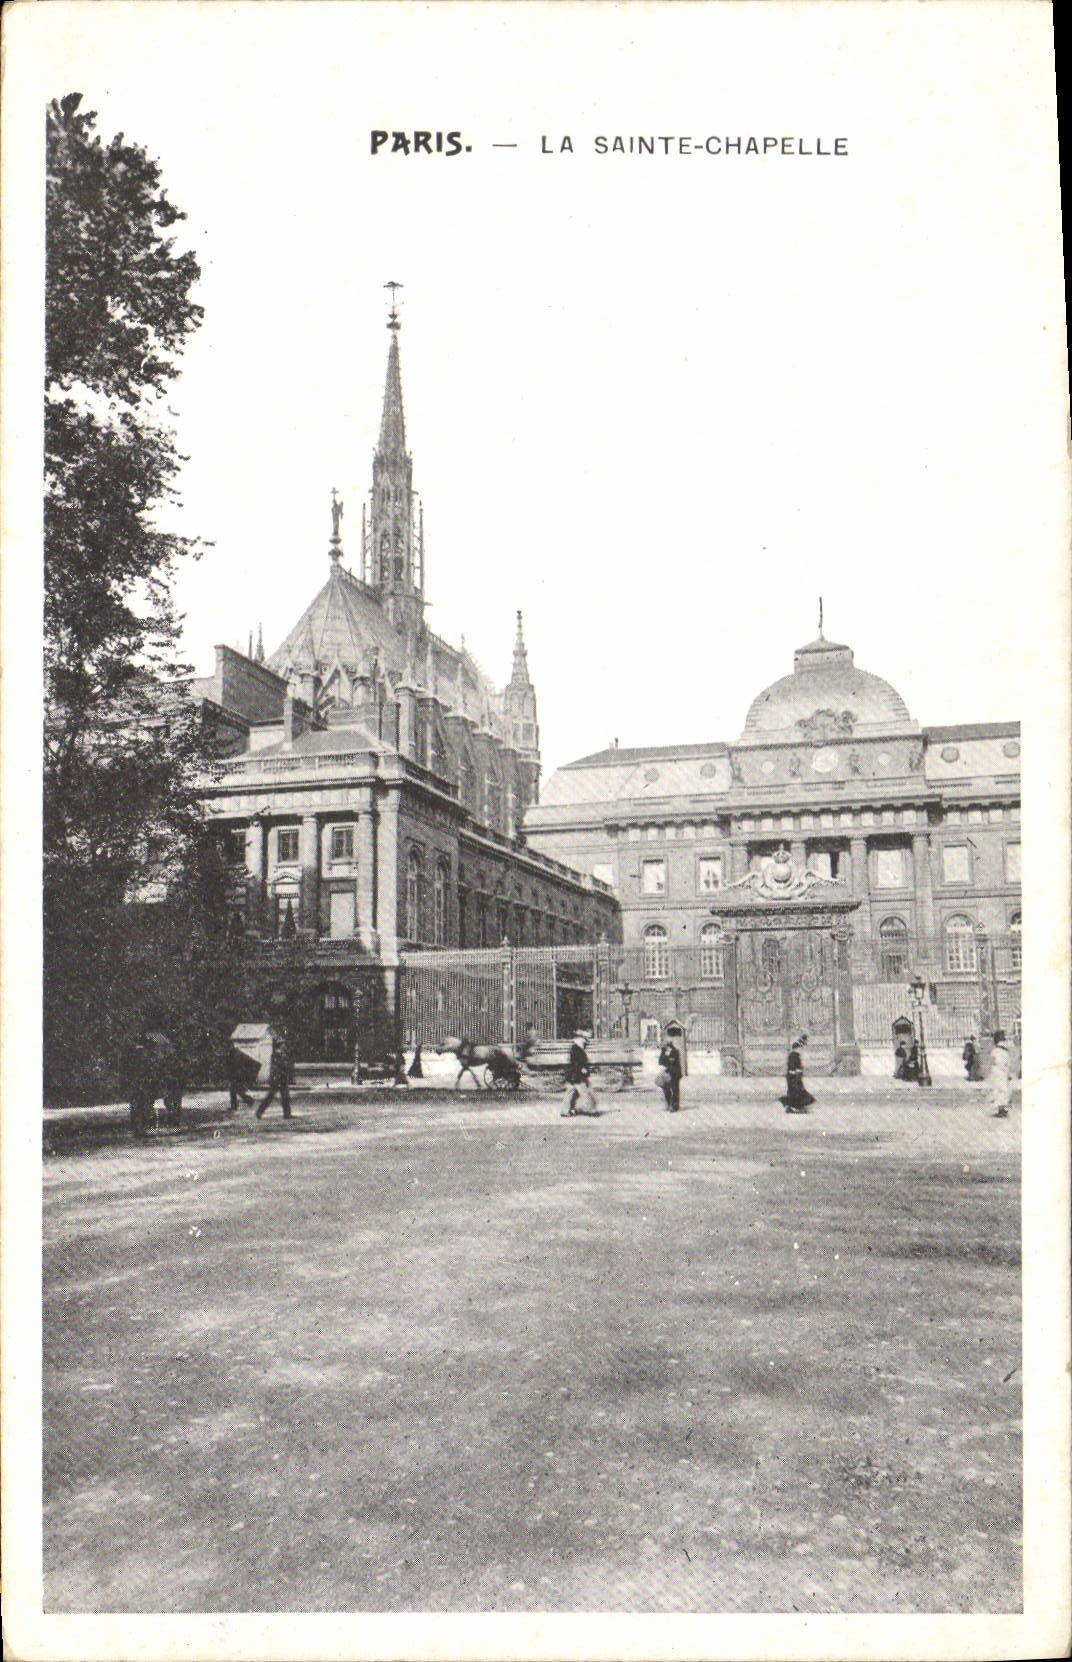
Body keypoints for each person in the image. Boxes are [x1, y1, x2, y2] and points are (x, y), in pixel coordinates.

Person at [255, 1027, 293, 1119]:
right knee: (271, 1096)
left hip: (281, 1076)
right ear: (279, 1045)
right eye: (282, 1044)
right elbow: (277, 1067)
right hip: (277, 1077)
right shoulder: (277, 1054)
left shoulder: (281, 1054)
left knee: (285, 1096)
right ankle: (259, 1112)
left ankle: (287, 1114)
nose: (284, 1046)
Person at [561, 1030, 596, 1117]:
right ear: (578, 1039)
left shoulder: (576, 1049)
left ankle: (565, 1111)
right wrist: (582, 1069)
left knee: (571, 1093)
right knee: (585, 1092)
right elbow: (577, 1063)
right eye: (584, 1039)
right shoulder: (577, 1049)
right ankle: (590, 1110)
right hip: (576, 1076)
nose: (585, 1042)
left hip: (573, 1075)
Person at [780, 1034, 815, 1114]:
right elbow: (792, 1067)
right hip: (793, 1077)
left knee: (798, 1092)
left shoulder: (795, 1055)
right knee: (795, 1092)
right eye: (800, 1048)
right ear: (797, 1048)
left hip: (795, 1077)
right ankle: (794, 1107)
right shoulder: (793, 1055)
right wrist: (796, 1072)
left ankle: (795, 1107)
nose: (801, 1050)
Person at [989, 1028, 1013, 1118]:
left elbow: (998, 1062)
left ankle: (1001, 1110)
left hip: (999, 1072)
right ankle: (1003, 1109)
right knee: (1003, 1090)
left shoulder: (996, 1051)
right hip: (1002, 1072)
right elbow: (1006, 1063)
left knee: (1000, 1091)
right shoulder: (1003, 1051)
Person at [226, 1042, 258, 1112]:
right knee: (235, 1090)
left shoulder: (237, 1054)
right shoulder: (234, 1053)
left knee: (235, 1090)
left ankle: (248, 1101)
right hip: (237, 1075)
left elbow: (241, 1064)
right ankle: (247, 1101)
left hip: (239, 1075)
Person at [656, 1037, 683, 1111]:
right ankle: (669, 1104)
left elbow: (669, 1062)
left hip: (675, 1073)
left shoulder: (675, 1051)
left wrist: (665, 1057)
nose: (664, 1046)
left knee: (675, 1090)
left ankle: (675, 1106)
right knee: (666, 1089)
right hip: (669, 1073)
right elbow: (660, 1062)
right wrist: (663, 1052)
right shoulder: (665, 1052)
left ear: (669, 1045)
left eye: (665, 1045)